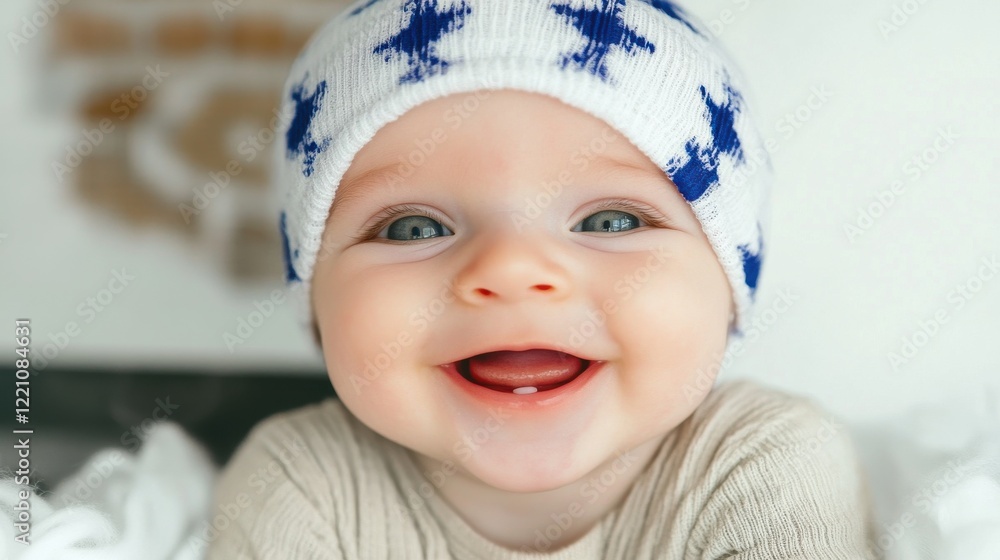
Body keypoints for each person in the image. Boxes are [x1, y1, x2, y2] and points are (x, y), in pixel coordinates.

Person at [204, 0, 879, 557]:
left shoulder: (763, 459)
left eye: (611, 221)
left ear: (728, 284)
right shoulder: (298, 481)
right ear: (316, 295)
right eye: (413, 228)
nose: (512, 270)